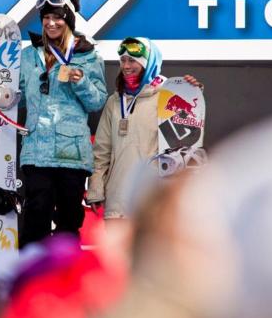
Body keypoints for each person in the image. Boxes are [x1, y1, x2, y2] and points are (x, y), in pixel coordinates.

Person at [18, 0, 108, 246]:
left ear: (68, 19)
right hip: (37, 152)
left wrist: (81, 81)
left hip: (71, 155)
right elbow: (20, 95)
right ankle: (31, 283)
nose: (51, 23)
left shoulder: (89, 55)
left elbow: (97, 101)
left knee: (69, 224)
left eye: (57, 17)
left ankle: (66, 282)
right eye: (46, 17)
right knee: (35, 222)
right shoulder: (28, 55)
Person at [86, 37, 202, 221]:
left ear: (149, 63)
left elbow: (185, 146)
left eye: (132, 60)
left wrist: (191, 91)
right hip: (118, 203)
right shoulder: (114, 102)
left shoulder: (168, 97)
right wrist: (95, 190)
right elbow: (101, 152)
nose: (126, 66)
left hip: (154, 202)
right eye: (122, 60)